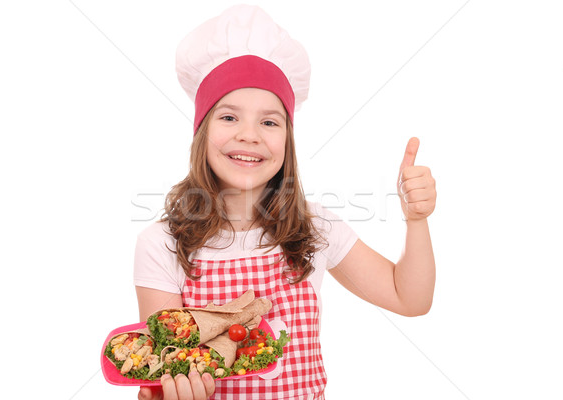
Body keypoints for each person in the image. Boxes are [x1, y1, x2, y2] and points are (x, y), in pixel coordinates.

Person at [134, 5, 436, 400]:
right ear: (201, 132)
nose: (249, 135)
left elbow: (408, 298)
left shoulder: (315, 227)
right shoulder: (163, 243)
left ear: (287, 141)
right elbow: (157, 380)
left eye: (269, 121)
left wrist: (416, 220)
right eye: (228, 117)